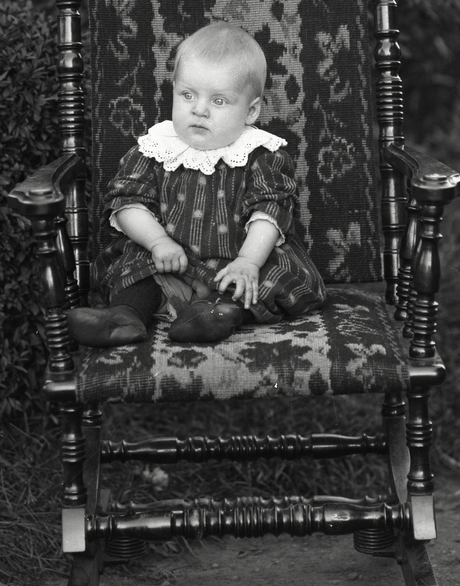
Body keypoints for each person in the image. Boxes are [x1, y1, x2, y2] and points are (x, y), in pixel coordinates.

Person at [69, 23, 326, 347]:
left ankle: (218, 313)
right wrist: (158, 242)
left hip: (234, 263)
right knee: (134, 260)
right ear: (174, 90)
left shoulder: (262, 156)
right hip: (168, 262)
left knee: (270, 272)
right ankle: (125, 316)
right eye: (187, 95)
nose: (199, 110)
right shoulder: (155, 149)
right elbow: (126, 203)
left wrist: (248, 262)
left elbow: (270, 213)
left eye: (218, 101)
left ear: (250, 111)